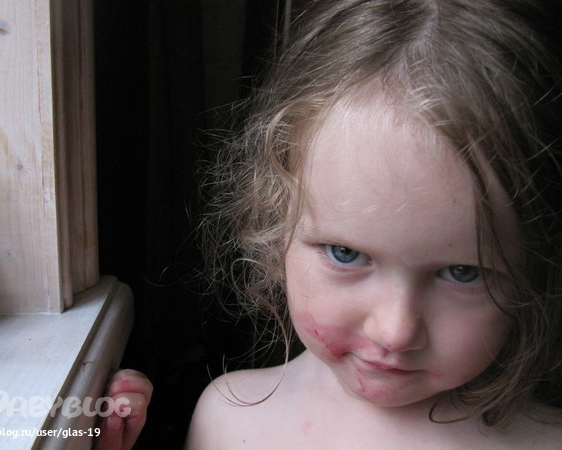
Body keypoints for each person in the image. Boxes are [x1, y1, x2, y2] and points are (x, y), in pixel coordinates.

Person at [183, 0, 562, 448]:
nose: (394, 332)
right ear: (276, 226)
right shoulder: (228, 421)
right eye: (346, 254)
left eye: (463, 272)